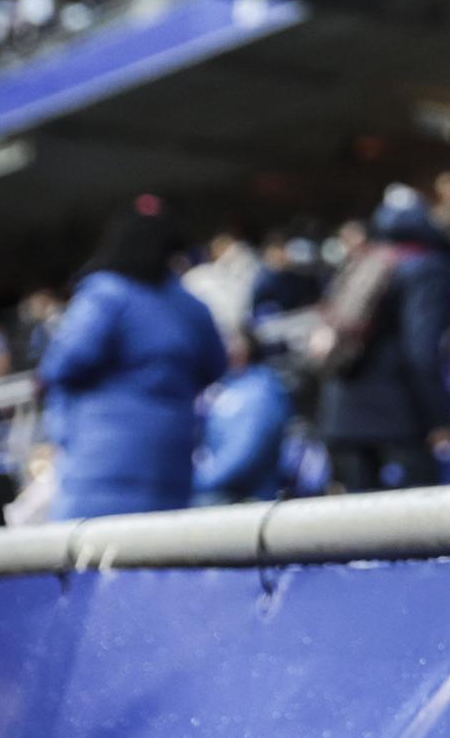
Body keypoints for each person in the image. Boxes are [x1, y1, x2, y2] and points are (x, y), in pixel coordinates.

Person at [37, 195, 227, 519]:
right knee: (160, 562)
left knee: (90, 562)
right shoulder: (191, 306)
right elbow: (216, 365)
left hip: (98, 466)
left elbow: (64, 363)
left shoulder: (106, 292)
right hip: (171, 465)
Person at [317, 188, 450, 493]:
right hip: (398, 418)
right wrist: (439, 416)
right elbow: (421, 351)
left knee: (356, 530)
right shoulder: (426, 267)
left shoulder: (366, 259)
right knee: (424, 527)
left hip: (341, 411)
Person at [192, 325, 292, 505]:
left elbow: (244, 455)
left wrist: (197, 482)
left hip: (243, 499)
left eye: (231, 339)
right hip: (213, 489)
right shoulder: (221, 387)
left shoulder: (260, 393)